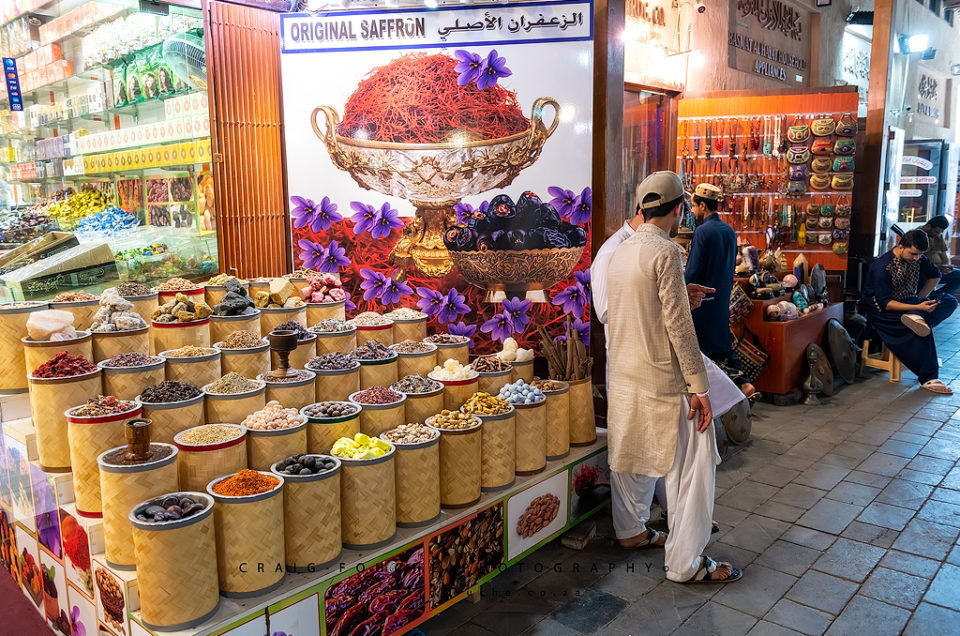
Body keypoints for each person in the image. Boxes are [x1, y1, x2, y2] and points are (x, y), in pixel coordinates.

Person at [606, 171, 742, 584]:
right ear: (680, 209)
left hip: (627, 377)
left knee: (631, 462)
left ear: (641, 209)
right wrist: (699, 388)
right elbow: (679, 329)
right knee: (693, 469)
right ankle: (686, 563)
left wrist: (683, 295)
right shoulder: (666, 253)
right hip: (666, 382)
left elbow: (634, 311)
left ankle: (631, 531)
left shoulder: (621, 252)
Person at [862, 229, 958, 394]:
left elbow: (935, 275)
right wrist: (919, 307)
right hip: (884, 311)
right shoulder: (883, 267)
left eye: (919, 255)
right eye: (913, 254)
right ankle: (928, 378)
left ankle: (917, 317)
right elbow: (886, 304)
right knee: (923, 331)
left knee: (949, 301)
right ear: (900, 246)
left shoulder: (918, 258)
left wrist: (920, 300)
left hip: (911, 302)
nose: (916, 258)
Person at [685, 183, 738, 363]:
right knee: (722, 352)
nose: (692, 211)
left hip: (702, 303)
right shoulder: (729, 231)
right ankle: (742, 384)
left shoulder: (702, 231)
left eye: (693, 206)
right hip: (722, 300)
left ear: (702, 205)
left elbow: (692, 270)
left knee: (703, 359)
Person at [920, 215, 960, 297]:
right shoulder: (918, 236)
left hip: (939, 269)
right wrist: (938, 267)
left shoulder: (938, 236)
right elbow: (919, 261)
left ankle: (938, 296)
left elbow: (944, 255)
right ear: (928, 226)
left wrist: (946, 267)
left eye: (940, 232)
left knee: (958, 275)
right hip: (926, 271)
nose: (938, 234)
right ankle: (934, 296)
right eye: (936, 232)